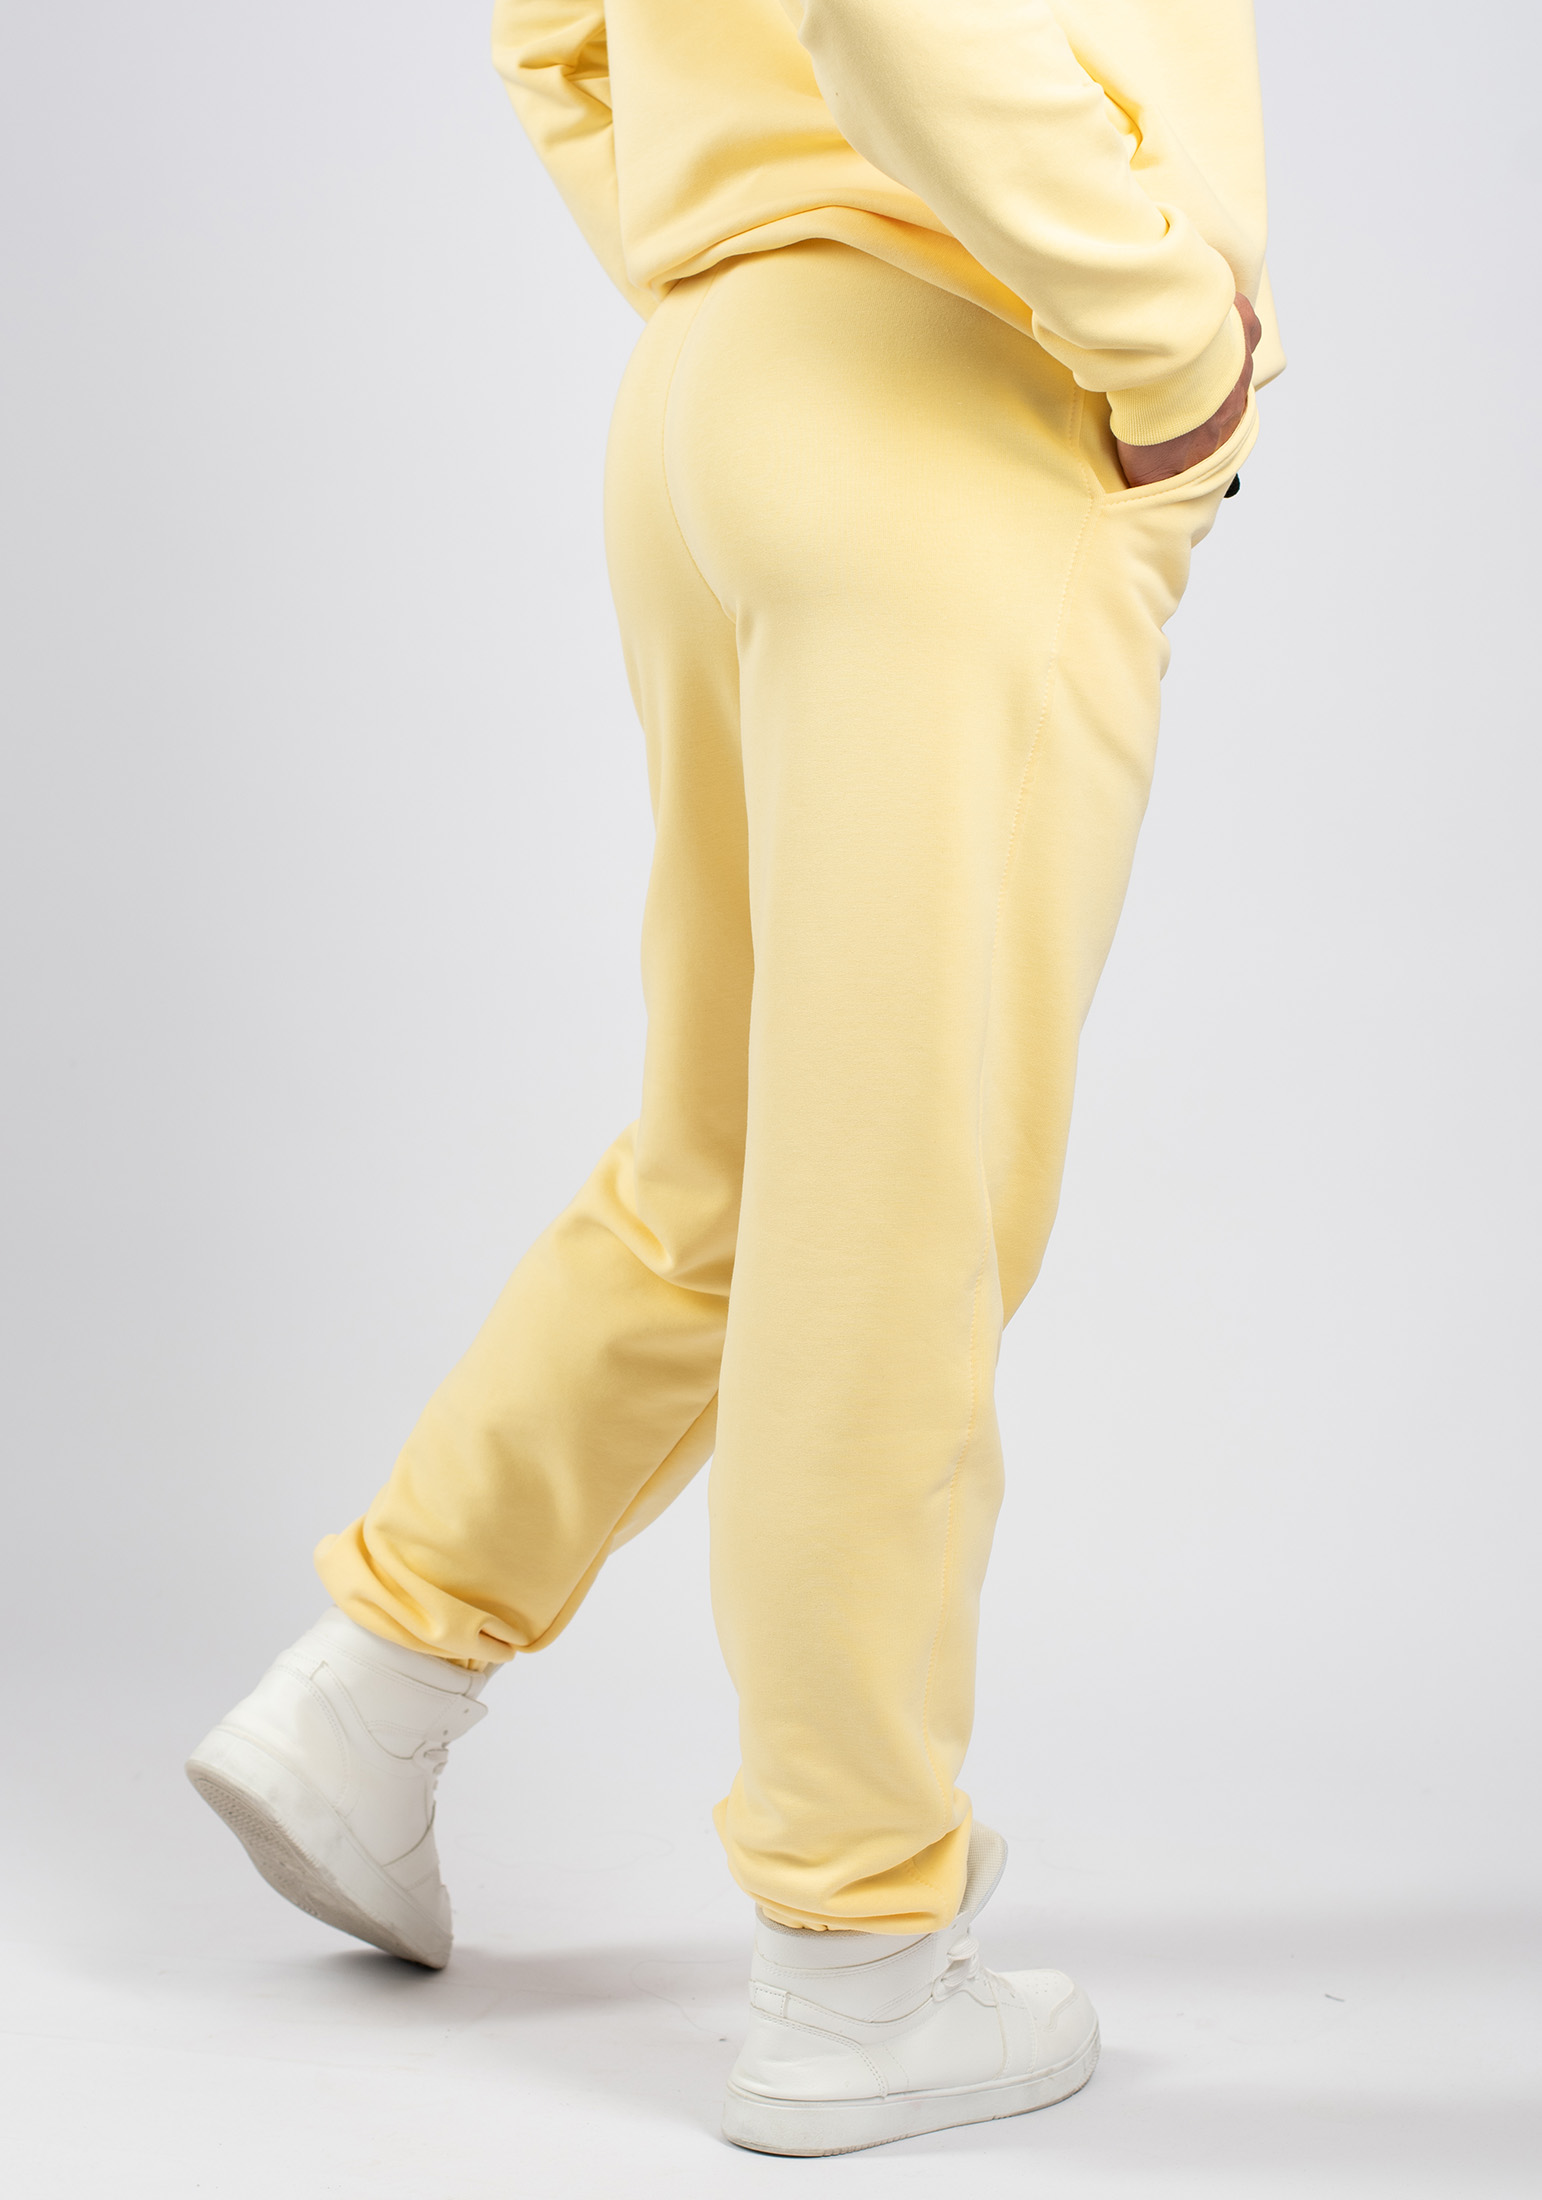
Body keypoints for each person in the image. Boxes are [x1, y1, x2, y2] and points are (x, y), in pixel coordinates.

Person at [187, 0, 1279, 2157]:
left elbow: (556, 37)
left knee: (744, 1150)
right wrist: (1169, 343)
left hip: (725, 385)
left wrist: (737, 252)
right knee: (895, 1211)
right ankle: (855, 1959)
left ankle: (376, 1687)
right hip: (960, 379)